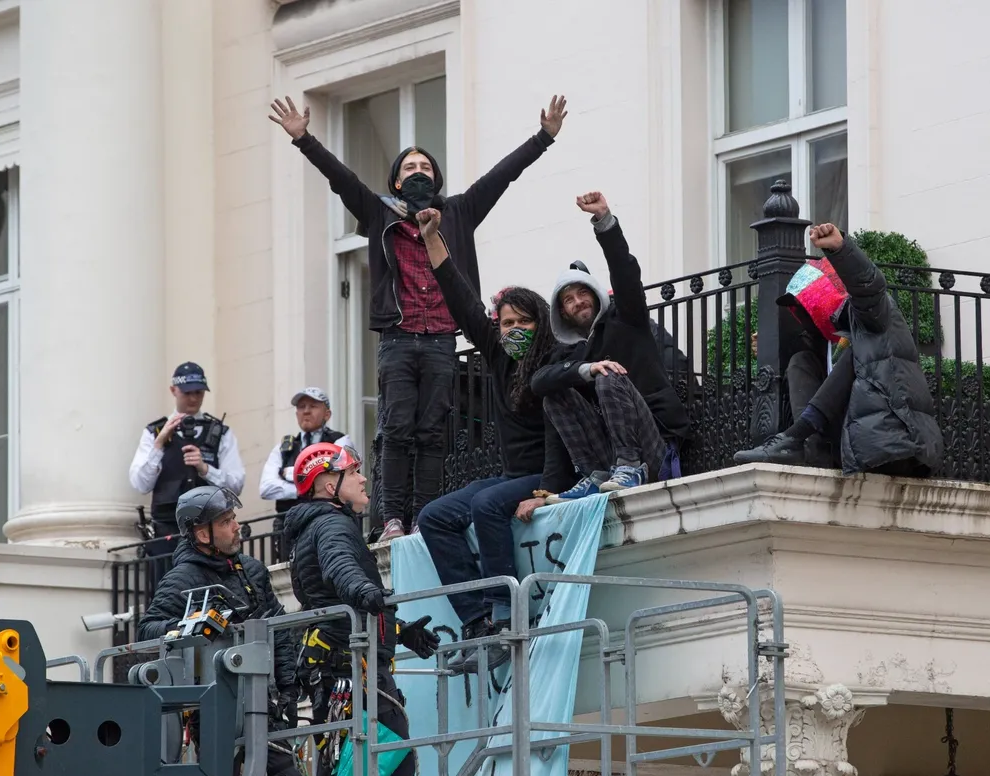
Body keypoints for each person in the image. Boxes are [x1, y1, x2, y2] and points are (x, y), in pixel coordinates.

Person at [270, 93, 568, 540]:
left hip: (443, 337)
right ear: (394, 183)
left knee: (431, 431)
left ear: (438, 178)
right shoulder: (378, 212)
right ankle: (393, 518)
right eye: (409, 168)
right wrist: (303, 139)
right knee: (396, 428)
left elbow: (502, 176)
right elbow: (341, 179)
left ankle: (424, 515)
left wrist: (543, 137)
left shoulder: (461, 211)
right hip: (397, 336)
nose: (418, 172)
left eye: (425, 167)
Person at [412, 207, 573, 671]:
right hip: (511, 475)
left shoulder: (553, 362)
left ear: (539, 323)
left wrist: (549, 493)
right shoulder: (499, 357)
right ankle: (478, 621)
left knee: (486, 506)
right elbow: (459, 296)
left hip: (546, 476)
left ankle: (506, 616)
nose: (514, 330)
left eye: (523, 322)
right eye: (506, 324)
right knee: (435, 516)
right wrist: (431, 239)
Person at [281, 443, 440, 776]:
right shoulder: (332, 526)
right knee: (394, 757)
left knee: (337, 769)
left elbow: (337, 600)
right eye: (354, 472)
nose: (364, 478)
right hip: (350, 668)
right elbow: (342, 572)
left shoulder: (316, 526)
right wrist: (367, 591)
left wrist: (400, 631)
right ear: (327, 483)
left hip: (340, 664)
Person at [136, 486, 305, 776]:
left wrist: (291, 687)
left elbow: (277, 628)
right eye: (227, 522)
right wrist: (194, 625)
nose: (237, 527)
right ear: (201, 533)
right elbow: (148, 630)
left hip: (262, 701)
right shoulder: (182, 579)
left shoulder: (251, 570)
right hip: (215, 706)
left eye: (233, 519)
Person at [733, 223, 943, 475]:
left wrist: (840, 249)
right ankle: (806, 446)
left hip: (894, 441)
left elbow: (870, 285)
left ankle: (796, 436)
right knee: (800, 361)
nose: (802, 313)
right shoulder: (822, 346)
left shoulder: (874, 317)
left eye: (807, 303)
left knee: (854, 353)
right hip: (849, 443)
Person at [530, 193, 694, 502]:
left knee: (608, 375)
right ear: (562, 311)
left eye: (582, 292)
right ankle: (594, 475)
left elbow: (625, 273)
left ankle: (631, 467)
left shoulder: (627, 318)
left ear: (595, 293)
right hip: (609, 461)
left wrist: (605, 222)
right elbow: (538, 382)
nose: (578, 301)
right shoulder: (570, 350)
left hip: (655, 446)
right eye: (569, 299)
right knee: (555, 394)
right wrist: (583, 369)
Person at [129, 362, 245, 539]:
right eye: (187, 393)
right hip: (167, 530)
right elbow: (140, 484)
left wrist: (205, 469)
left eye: (198, 393)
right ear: (173, 390)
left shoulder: (221, 433)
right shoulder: (154, 432)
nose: (193, 399)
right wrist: (158, 445)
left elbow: (236, 484)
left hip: (210, 528)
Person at [258, 386, 356, 557]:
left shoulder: (340, 441)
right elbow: (266, 488)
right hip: (289, 526)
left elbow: (335, 477)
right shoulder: (284, 447)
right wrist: (306, 486)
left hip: (327, 520)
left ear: (327, 414)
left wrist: (290, 474)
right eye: (301, 407)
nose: (306, 411)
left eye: (313, 406)